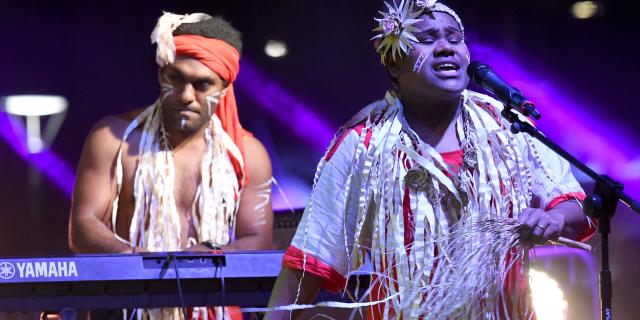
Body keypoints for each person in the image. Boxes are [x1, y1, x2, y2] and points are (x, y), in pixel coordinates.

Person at [266, 1, 596, 319]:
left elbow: (575, 207)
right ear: (393, 64)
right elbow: (309, 262)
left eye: (454, 38)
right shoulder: (364, 144)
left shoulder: (506, 126)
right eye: (427, 39)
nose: (445, 47)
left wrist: (553, 218)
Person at [68, 12, 274, 320]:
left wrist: (208, 259)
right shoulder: (112, 139)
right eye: (175, 78)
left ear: (225, 87)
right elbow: (82, 226)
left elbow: (258, 239)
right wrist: (135, 260)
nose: (186, 95)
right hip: (131, 309)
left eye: (203, 84)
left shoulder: (248, 154)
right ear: (161, 74)